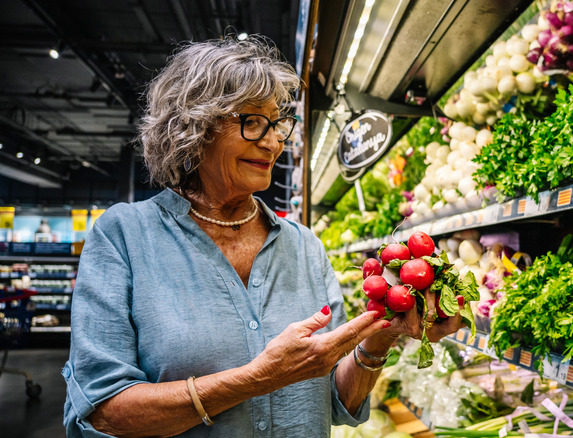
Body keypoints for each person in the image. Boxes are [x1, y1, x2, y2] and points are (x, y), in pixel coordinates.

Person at [62, 35, 465, 437]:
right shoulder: (124, 237)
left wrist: (381, 338)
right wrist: (258, 378)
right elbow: (104, 412)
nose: (273, 142)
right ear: (194, 126)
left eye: (277, 122)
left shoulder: (304, 245)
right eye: (252, 122)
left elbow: (338, 401)